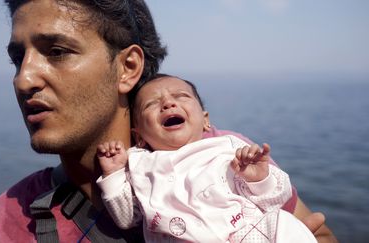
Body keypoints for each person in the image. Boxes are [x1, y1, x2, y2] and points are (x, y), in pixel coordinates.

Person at [0, 0, 337, 242]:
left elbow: (319, 233)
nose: (24, 78)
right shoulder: (2, 224)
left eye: (57, 52)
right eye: (18, 58)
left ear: (128, 67)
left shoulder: (226, 155)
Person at [96, 75, 316, 242]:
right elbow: (127, 218)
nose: (168, 104)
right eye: (151, 104)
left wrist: (259, 179)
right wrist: (114, 174)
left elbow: (274, 201)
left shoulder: (228, 148)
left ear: (205, 120)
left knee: (284, 222)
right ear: (139, 136)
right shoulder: (140, 166)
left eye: (181, 96)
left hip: (245, 235)